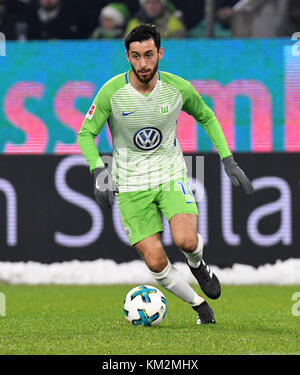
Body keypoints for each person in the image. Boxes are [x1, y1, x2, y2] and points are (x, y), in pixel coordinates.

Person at [77, 24, 254, 325]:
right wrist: (97, 170)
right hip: (131, 185)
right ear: (127, 57)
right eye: (136, 57)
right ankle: (200, 307)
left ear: (160, 53)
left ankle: (199, 266)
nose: (143, 64)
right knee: (156, 262)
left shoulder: (177, 88)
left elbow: (206, 115)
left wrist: (228, 159)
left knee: (186, 240)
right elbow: (85, 133)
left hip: (169, 175)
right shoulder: (112, 92)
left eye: (148, 55)